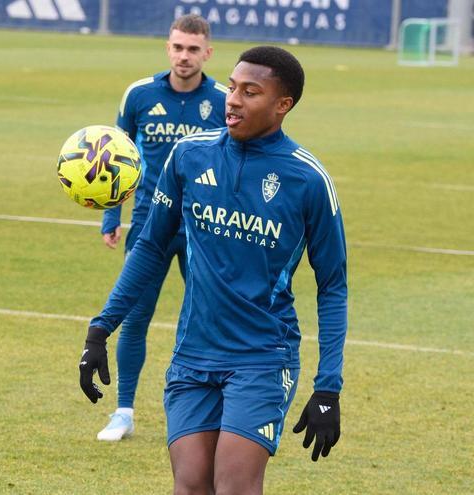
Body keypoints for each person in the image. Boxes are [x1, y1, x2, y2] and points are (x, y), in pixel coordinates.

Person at [79, 46, 347, 494]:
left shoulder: (308, 180)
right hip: (192, 357)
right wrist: (100, 328)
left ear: (283, 105)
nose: (233, 99)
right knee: (191, 487)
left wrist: (328, 387)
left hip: (261, 358)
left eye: (251, 92)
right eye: (234, 86)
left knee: (235, 488)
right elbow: (149, 246)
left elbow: (332, 286)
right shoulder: (188, 156)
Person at [95, 14, 227, 442]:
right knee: (135, 318)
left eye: (193, 49)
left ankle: (213, 410)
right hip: (150, 226)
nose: (184, 56)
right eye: (177, 47)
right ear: (167, 48)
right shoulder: (139, 94)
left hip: (204, 231)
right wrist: (112, 217)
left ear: (208, 52)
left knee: (209, 318)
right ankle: (124, 412)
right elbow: (116, 156)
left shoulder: (225, 100)